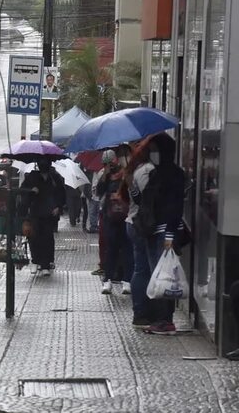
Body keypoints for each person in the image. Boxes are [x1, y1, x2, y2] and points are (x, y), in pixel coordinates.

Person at [127, 134, 185, 335]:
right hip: (152, 231)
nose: (153, 154)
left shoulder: (175, 175)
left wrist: (170, 235)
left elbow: (175, 207)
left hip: (164, 233)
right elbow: (146, 201)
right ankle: (158, 318)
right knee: (156, 274)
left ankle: (164, 319)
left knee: (164, 276)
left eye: (155, 150)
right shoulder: (156, 174)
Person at [121, 141, 155, 327]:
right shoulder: (146, 171)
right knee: (143, 269)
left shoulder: (135, 171)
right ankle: (141, 311)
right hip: (139, 224)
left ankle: (141, 310)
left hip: (133, 222)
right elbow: (140, 199)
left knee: (140, 267)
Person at [20, 156, 66, 276]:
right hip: (35, 213)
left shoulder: (54, 177)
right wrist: (31, 191)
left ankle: (46, 264)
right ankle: (35, 261)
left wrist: (58, 207)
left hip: (49, 214)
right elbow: (23, 192)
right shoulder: (32, 177)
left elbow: (61, 193)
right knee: (34, 238)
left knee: (47, 238)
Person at [96, 150, 134, 295]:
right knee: (110, 249)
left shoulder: (125, 173)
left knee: (127, 249)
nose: (109, 166)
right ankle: (107, 280)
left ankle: (127, 280)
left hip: (125, 216)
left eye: (110, 163)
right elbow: (98, 192)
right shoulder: (105, 176)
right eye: (106, 164)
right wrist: (105, 176)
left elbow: (132, 190)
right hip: (110, 217)